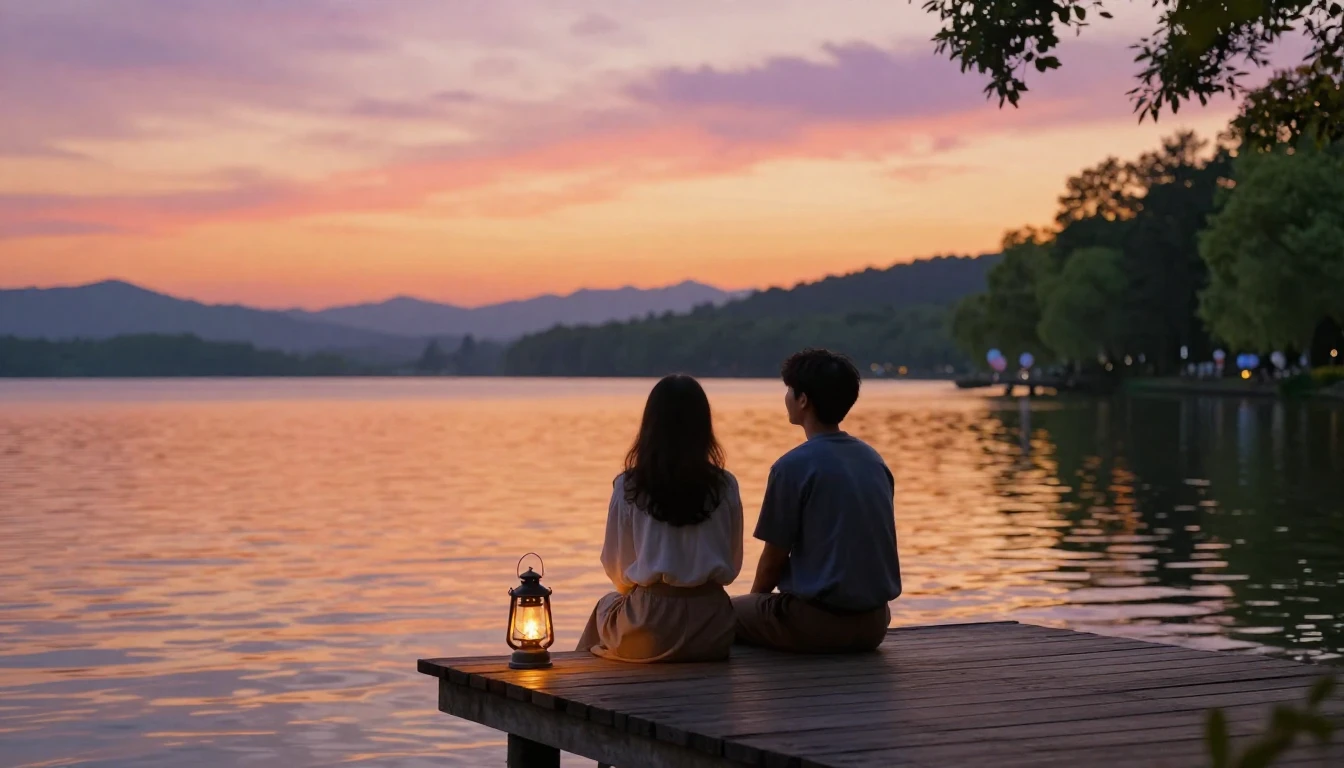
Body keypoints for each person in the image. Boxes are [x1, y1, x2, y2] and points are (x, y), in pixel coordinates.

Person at [733, 348, 901, 653]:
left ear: (803, 400)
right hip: (874, 626)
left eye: (789, 390)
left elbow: (773, 559)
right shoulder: (873, 461)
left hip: (814, 625)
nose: (786, 397)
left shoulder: (792, 467)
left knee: (723, 615)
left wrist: (755, 603)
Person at [577, 374, 743, 662]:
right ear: (704, 426)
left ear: (650, 426)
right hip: (712, 627)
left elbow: (617, 567)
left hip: (652, 625)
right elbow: (733, 560)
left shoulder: (629, 487)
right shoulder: (725, 485)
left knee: (605, 607)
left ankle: (577, 693)